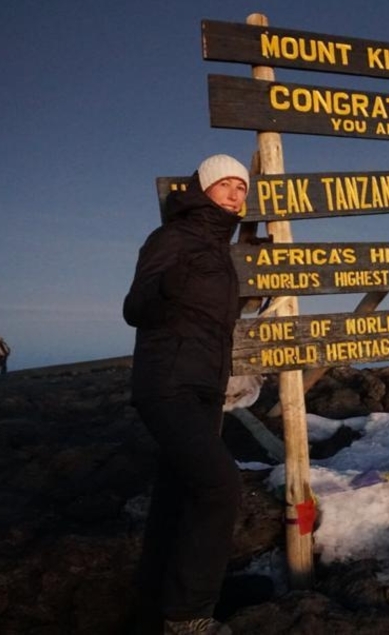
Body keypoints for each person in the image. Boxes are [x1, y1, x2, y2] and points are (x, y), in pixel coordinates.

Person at [123, 154, 251, 635]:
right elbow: (134, 308)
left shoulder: (220, 250)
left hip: (204, 387)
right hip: (167, 383)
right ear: (204, 189)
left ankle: (153, 606)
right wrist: (168, 290)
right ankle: (187, 615)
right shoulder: (172, 238)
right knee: (220, 485)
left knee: (177, 495)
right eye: (226, 185)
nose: (235, 195)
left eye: (242, 187)